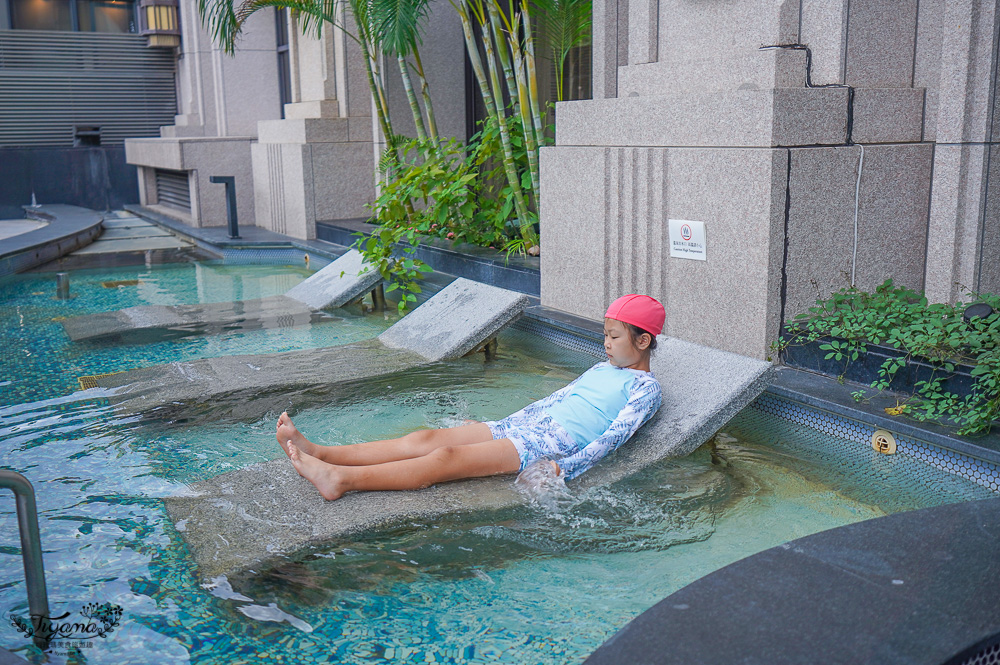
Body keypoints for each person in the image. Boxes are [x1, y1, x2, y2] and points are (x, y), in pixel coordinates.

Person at [277, 294, 665, 501]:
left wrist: (567, 468)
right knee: (422, 440)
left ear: (643, 340)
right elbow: (552, 401)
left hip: (547, 445)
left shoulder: (645, 389)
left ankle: (340, 480)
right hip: (521, 427)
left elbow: (613, 438)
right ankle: (323, 452)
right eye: (605, 335)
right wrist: (496, 426)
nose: (606, 344)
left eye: (614, 337)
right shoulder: (601, 370)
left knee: (445, 459)